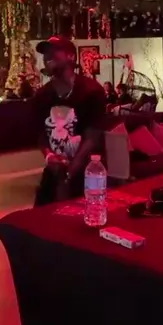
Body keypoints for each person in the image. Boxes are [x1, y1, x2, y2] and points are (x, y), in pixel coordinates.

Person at [31, 36, 108, 207]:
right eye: (45, 53)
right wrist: (49, 156)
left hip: (88, 171)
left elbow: (93, 136)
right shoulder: (42, 96)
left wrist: (72, 169)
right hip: (54, 172)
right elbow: (41, 134)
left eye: (54, 51)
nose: (47, 56)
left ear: (71, 57)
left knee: (84, 216)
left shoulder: (91, 91)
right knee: (41, 217)